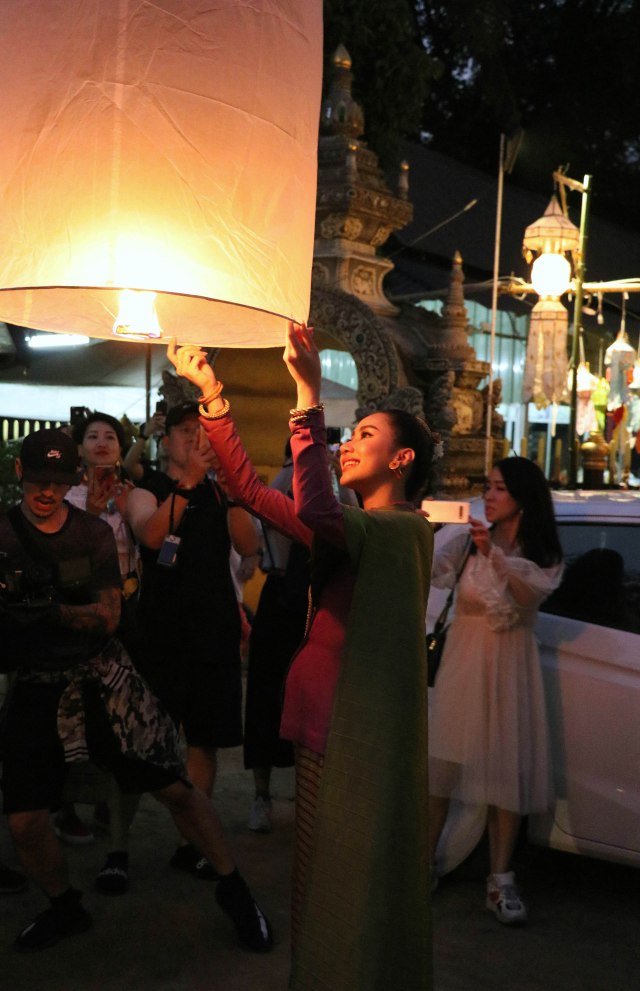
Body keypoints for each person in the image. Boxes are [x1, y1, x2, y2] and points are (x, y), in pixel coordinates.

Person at [169, 321, 436, 991]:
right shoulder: (354, 529)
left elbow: (315, 508)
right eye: (351, 433)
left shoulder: (400, 533)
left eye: (366, 434)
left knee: (346, 881)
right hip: (320, 721)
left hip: (354, 731)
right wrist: (213, 395)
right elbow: (251, 492)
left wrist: (308, 395)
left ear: (402, 460)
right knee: (317, 881)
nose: (350, 443)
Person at [0, 428, 272, 953]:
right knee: (25, 819)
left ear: (72, 480)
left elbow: (107, 616)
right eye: (37, 480)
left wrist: (47, 608)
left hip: (105, 681)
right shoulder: (5, 535)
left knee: (175, 788)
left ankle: (235, 889)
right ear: (19, 474)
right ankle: (64, 905)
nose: (46, 491)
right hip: (38, 685)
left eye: (57, 481)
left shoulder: (91, 534)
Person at [427, 457, 564, 925]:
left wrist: (495, 555)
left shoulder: (541, 552)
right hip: (463, 666)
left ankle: (500, 879)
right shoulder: (468, 540)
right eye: (487, 486)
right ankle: (424, 865)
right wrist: (424, 532)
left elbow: (527, 597)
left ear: (523, 497)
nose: (488, 495)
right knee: (443, 768)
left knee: (506, 773)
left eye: (500, 488)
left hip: (510, 670)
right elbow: (431, 572)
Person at [125, 403, 258, 880]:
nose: (195, 440)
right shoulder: (148, 489)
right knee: (147, 741)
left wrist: (233, 493)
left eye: (202, 433)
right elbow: (151, 536)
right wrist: (188, 484)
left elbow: (248, 545)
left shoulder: (219, 492)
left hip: (213, 631)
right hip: (161, 634)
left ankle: (192, 842)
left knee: (204, 740)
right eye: (185, 431)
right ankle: (119, 846)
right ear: (166, 441)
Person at [63, 411, 143, 892]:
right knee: (73, 719)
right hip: (79, 622)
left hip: (125, 621)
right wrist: (92, 517)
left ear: (120, 447)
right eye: (91, 436)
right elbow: (66, 567)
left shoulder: (133, 496)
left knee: (118, 726)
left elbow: (150, 551)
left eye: (109, 436)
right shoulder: (66, 499)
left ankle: (110, 823)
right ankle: (65, 805)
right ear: (79, 448)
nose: (100, 442)